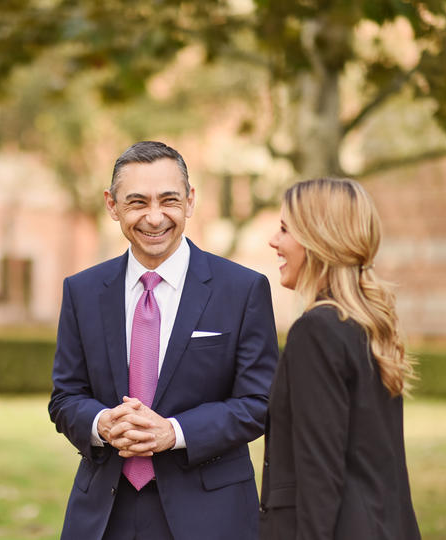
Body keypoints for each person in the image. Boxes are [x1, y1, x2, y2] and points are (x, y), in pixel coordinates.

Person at [48, 141, 279, 540]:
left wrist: (175, 431)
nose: (154, 218)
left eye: (168, 200)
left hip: (211, 515)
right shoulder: (82, 291)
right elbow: (65, 397)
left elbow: (259, 404)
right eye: (137, 202)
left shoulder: (242, 289)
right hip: (104, 515)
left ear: (190, 201)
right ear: (112, 205)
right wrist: (102, 423)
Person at [259, 177, 421, 539]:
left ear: (318, 239)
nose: (274, 241)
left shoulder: (315, 331)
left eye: (285, 229)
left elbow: (319, 475)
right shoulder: (368, 327)